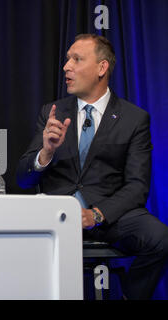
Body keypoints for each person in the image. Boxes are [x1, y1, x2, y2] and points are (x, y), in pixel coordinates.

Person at [16, 34, 168, 299]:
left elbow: (137, 186)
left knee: (159, 237)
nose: (66, 67)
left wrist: (96, 214)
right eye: (67, 60)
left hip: (109, 216)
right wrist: (46, 152)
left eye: (76, 59)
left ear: (101, 68)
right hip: (57, 214)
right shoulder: (52, 111)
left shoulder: (134, 119)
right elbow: (22, 180)